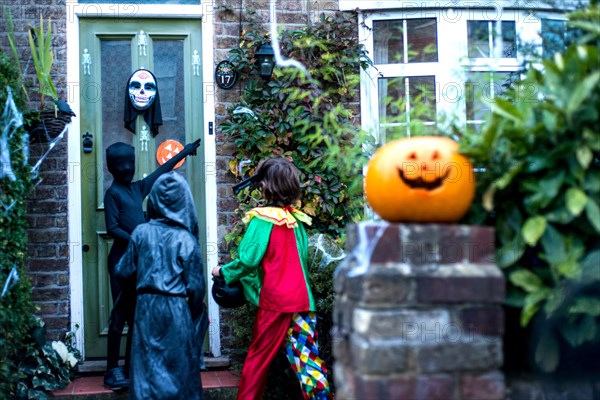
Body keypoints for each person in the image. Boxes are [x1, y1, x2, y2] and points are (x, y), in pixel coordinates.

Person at [211, 157, 331, 400]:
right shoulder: (297, 221)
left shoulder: (262, 220)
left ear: (266, 186)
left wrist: (222, 271)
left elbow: (248, 260)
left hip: (275, 302)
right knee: (307, 358)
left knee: (258, 358)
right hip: (301, 300)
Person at [103, 138, 201, 390]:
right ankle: (111, 369)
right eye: (121, 164)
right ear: (112, 168)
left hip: (139, 260)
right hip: (120, 262)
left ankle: (129, 365)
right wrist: (138, 237)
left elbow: (161, 171)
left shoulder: (137, 189)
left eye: (130, 163)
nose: (127, 168)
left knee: (136, 315)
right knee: (119, 315)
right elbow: (112, 227)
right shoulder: (113, 193)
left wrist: (186, 151)